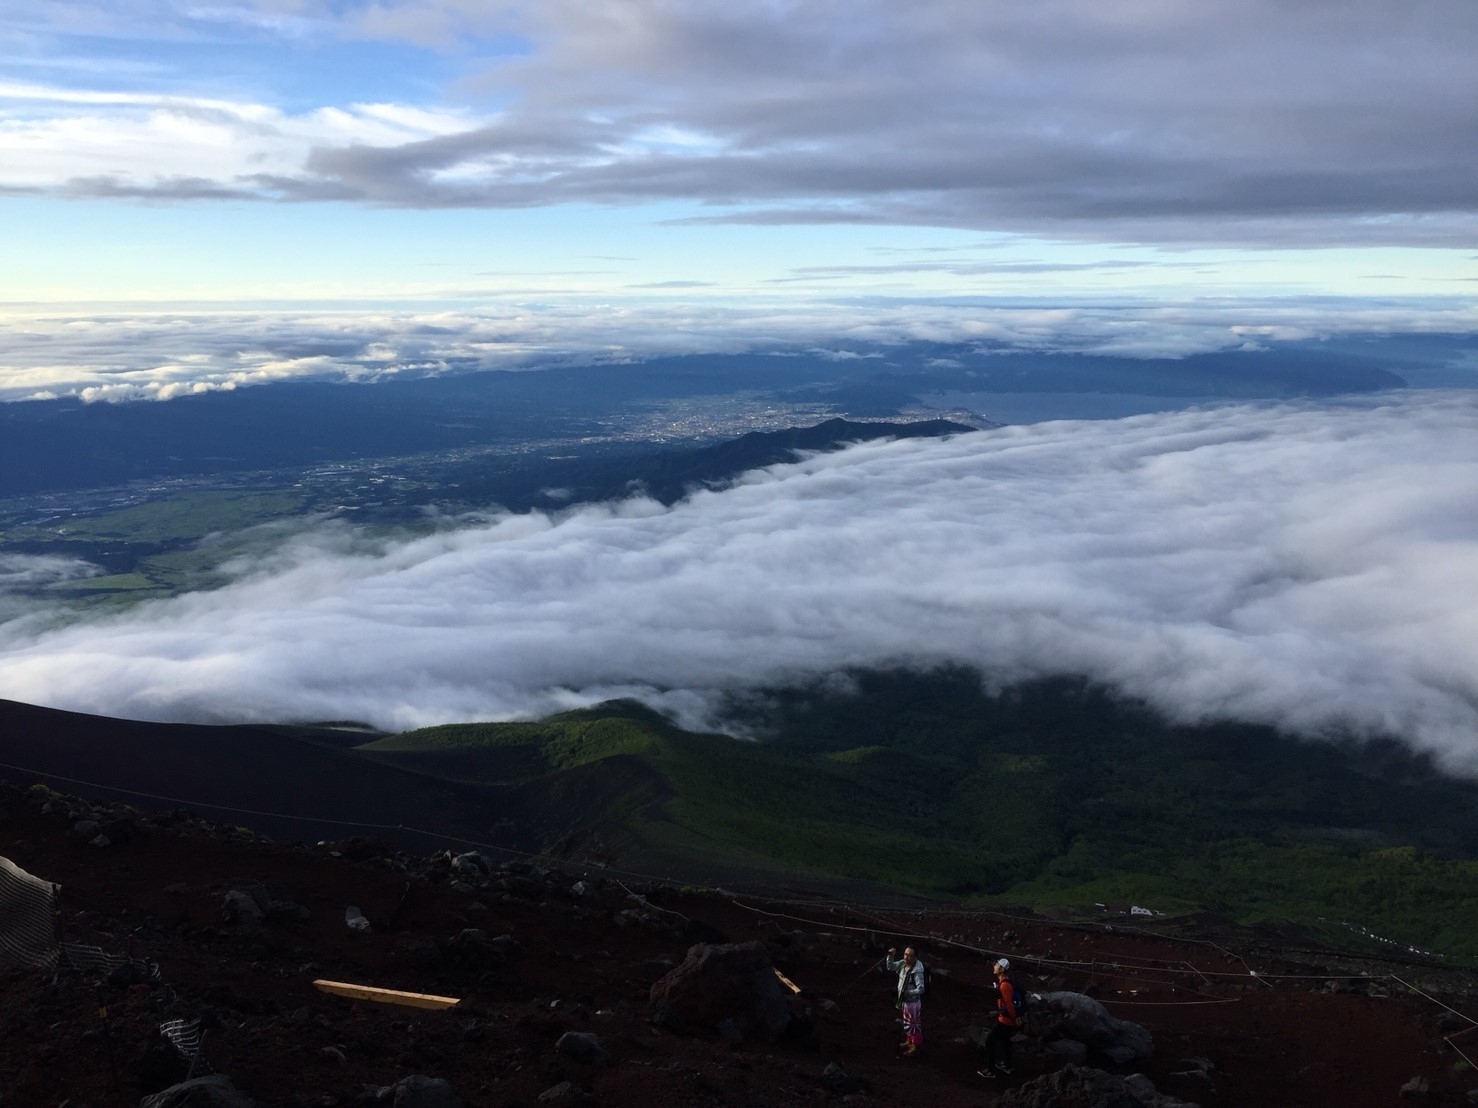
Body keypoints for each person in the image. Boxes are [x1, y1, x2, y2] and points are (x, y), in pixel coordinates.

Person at [979, 957, 1018, 1078]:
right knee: (1005, 1042)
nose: (994, 966)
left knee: (990, 1041)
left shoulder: (1004, 985)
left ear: (1002, 969)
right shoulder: (1004, 983)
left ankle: (990, 1070)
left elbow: (1009, 1005)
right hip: (1007, 1020)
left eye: (997, 965)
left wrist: (1014, 1018)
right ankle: (1007, 1065)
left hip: (1005, 1020)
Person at [884, 945, 927, 1055]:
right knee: (908, 1023)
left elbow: (921, 989)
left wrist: (909, 992)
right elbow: (890, 967)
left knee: (913, 1024)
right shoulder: (903, 964)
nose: (906, 957)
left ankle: (915, 1044)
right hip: (904, 1000)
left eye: (910, 956)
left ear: (915, 958)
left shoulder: (916, 971)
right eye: (905, 954)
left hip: (913, 1002)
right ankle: (910, 1040)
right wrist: (890, 956)